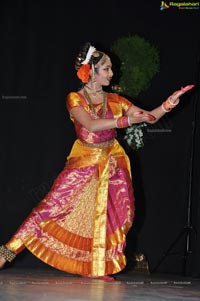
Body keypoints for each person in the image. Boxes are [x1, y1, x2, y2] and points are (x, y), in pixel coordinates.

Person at [0, 42, 194, 281]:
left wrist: (170, 102)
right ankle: (3, 255)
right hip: (84, 160)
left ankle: (96, 269)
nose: (112, 73)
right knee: (48, 209)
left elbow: (150, 117)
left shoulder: (115, 100)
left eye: (111, 68)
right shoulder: (75, 98)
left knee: (122, 215)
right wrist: (124, 122)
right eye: (107, 68)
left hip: (113, 161)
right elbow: (90, 125)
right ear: (90, 71)